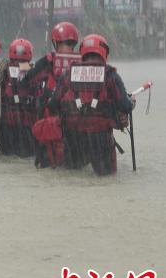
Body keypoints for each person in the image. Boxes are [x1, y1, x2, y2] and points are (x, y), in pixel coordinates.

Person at [48, 34, 134, 175]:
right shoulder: (111, 76)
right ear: (104, 53)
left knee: (71, 180)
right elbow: (125, 106)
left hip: (73, 139)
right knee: (106, 183)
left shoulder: (67, 74)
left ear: (83, 52)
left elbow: (52, 106)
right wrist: (131, 103)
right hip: (101, 141)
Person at [22, 22, 81, 168]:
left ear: (55, 42)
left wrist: (20, 66)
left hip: (50, 127)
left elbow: (27, 78)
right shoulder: (83, 62)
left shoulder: (48, 61)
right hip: (77, 127)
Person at [0, 38, 36, 157]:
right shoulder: (35, 71)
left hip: (6, 126)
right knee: (27, 157)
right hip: (27, 126)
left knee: (7, 156)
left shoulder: (1, 70)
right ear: (29, 54)